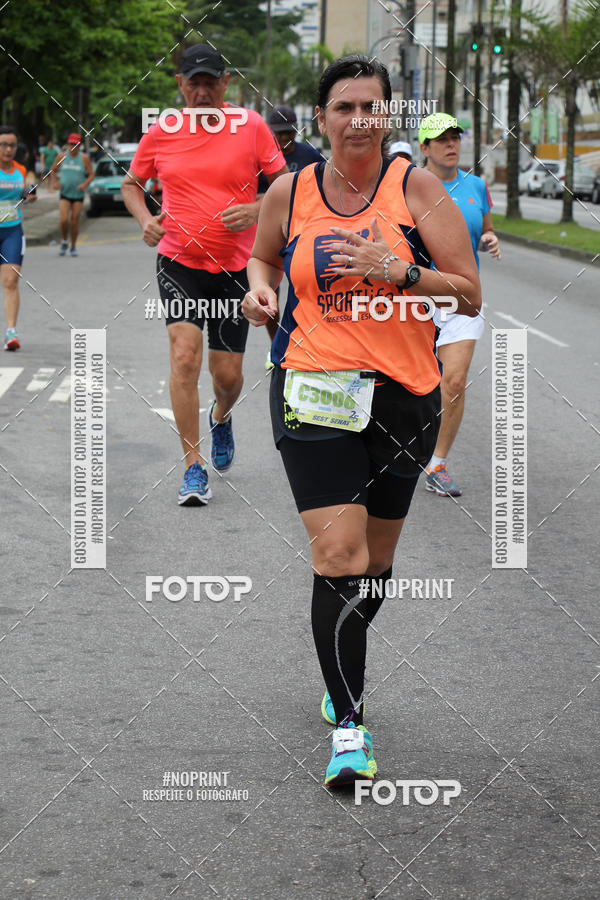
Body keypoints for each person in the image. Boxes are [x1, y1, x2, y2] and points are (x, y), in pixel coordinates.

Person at [242, 56, 481, 786]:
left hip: (405, 393)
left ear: (388, 116)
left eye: (370, 107)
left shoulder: (418, 189)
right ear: (322, 118)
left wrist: (398, 270)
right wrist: (260, 294)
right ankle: (349, 725)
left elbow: (468, 293)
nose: (357, 119)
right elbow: (261, 261)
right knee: (340, 557)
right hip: (313, 388)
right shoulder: (291, 190)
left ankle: (339, 666)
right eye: (343, 107)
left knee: (375, 564)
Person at [122, 44, 288, 506]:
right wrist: (145, 220)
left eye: (209, 82)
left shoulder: (251, 127)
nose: (201, 91)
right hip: (179, 262)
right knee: (184, 357)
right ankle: (193, 467)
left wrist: (257, 208)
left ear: (225, 84)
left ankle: (221, 414)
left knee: (228, 376)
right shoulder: (162, 131)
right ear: (179, 85)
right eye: (192, 82)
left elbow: (285, 185)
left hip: (238, 267)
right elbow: (131, 185)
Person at [418, 113, 501, 497]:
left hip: (462, 299)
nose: (451, 144)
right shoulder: (410, 188)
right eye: (441, 139)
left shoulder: (476, 186)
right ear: (425, 148)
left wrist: (490, 240)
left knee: (452, 381)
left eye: (455, 137)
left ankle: (437, 463)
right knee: (413, 385)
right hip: (415, 299)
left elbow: (484, 229)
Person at [257, 105, 324, 351]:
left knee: (304, 290)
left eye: (289, 131)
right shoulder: (262, 157)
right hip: (273, 234)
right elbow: (251, 194)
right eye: (279, 133)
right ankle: (276, 343)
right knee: (269, 291)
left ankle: (305, 342)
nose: (284, 137)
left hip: (305, 233)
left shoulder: (311, 155)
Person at [0, 125, 37, 351]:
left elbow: (25, 192)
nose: (8, 149)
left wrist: (29, 196)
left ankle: (11, 332)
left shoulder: (21, 170)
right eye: (3, 144)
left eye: (12, 145)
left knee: (11, 282)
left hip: (12, 231)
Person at [50, 134, 94, 257]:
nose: (73, 147)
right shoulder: (62, 156)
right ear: (67, 145)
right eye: (71, 144)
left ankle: (73, 246)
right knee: (64, 220)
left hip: (78, 195)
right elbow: (52, 170)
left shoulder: (84, 158)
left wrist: (84, 184)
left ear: (80, 146)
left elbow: (91, 174)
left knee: (74, 220)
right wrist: (55, 183)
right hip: (64, 193)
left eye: (75, 145)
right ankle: (64, 240)